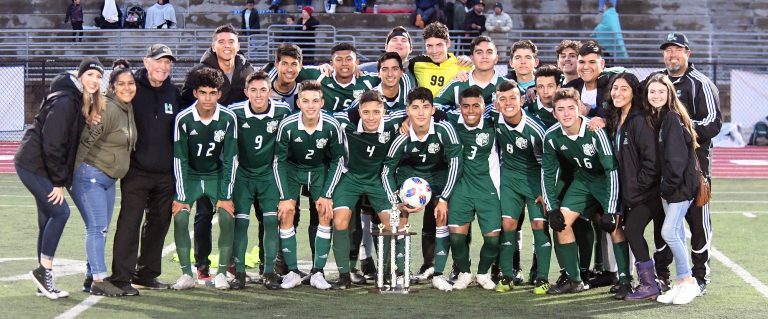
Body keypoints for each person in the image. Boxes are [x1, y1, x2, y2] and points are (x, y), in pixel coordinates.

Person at [15, 57, 103, 300]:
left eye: (98, 77)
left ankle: (41, 280)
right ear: (79, 75)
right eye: (90, 75)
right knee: (60, 212)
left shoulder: (75, 100)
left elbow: (66, 137)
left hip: (38, 163)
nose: (95, 81)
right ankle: (44, 272)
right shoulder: (66, 101)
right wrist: (58, 181)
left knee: (47, 218)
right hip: (34, 164)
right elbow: (53, 143)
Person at [648, 32, 722, 294]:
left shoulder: (700, 83)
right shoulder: (656, 81)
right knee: (664, 226)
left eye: (677, 50)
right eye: (667, 50)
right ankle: (663, 275)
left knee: (698, 223)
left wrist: (679, 129)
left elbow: (714, 124)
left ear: (687, 53)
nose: (672, 55)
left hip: (695, 168)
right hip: (662, 169)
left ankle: (700, 278)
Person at [181, 25, 254, 280]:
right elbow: (184, 106)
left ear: (238, 45)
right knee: (204, 211)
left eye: (231, 41)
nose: (226, 45)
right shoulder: (198, 72)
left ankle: (231, 261)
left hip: (236, 151)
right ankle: (202, 265)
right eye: (221, 41)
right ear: (213, 45)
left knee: (231, 208)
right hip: (205, 152)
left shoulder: (247, 70)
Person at [109, 44, 179, 293]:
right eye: (159, 61)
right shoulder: (132, 87)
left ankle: (146, 274)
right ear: (146, 62)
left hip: (165, 173)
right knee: (130, 223)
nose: (164, 67)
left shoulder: (173, 92)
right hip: (136, 171)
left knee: (159, 224)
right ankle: (120, 277)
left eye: (168, 63)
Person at [541, 88, 622, 295]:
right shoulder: (551, 137)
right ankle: (574, 280)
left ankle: (626, 279)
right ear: (554, 113)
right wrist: (552, 209)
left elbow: (611, 169)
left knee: (614, 227)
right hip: (583, 180)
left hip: (605, 181)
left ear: (580, 109)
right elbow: (547, 174)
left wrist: (611, 209)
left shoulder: (595, 131)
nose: (566, 113)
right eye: (561, 109)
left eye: (571, 108)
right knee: (561, 223)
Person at [324, 90, 406, 289]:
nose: (371, 117)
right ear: (359, 110)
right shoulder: (346, 122)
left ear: (383, 111)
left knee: (391, 222)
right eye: (366, 112)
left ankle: (388, 272)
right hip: (350, 177)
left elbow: (421, 111)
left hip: (378, 179)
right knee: (340, 220)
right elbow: (326, 114)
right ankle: (344, 275)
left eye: (376, 112)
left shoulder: (393, 121)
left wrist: (409, 121)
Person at [381, 87, 462, 286]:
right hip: (410, 174)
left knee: (442, 214)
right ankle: (400, 272)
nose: (420, 112)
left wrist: (443, 198)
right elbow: (387, 170)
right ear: (407, 110)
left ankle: (439, 274)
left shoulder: (444, 129)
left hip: (438, 174)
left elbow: (455, 163)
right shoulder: (402, 136)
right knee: (399, 215)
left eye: (425, 107)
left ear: (433, 110)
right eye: (415, 108)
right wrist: (395, 200)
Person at [70, 59, 137, 297]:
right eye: (122, 84)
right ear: (111, 86)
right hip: (90, 175)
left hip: (107, 180)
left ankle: (91, 276)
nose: (127, 87)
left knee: (100, 228)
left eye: (131, 83)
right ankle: (99, 279)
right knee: (97, 228)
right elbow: (84, 143)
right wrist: (72, 177)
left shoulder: (126, 108)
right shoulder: (107, 108)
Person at [604, 72, 671, 301]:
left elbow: (651, 162)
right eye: (615, 88)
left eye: (624, 88)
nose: (618, 93)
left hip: (648, 193)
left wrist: (637, 189)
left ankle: (651, 283)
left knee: (634, 230)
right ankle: (649, 283)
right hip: (632, 193)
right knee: (631, 231)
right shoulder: (617, 117)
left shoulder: (639, 119)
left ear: (634, 92)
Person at [170, 67, 238, 291]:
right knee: (180, 217)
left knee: (227, 216)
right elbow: (179, 158)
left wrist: (226, 195)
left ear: (219, 94)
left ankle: (221, 273)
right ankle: (187, 274)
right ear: (195, 94)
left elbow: (231, 159)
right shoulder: (183, 119)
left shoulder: (228, 118)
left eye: (212, 93)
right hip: (190, 175)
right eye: (203, 92)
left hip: (214, 175)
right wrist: (180, 195)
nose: (207, 98)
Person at [273, 80, 345, 289]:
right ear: (298, 102)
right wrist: (285, 197)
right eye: (306, 101)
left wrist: (327, 194)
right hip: (293, 170)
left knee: (325, 211)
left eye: (315, 101)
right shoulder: (287, 125)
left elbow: (338, 159)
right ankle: (293, 272)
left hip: (318, 170)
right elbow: (279, 160)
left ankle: (317, 272)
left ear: (322, 102)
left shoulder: (331, 126)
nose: (311, 105)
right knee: (286, 212)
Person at [229, 71, 292, 290]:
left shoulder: (283, 111)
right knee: (242, 222)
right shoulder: (234, 112)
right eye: (253, 90)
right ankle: (239, 273)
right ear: (246, 92)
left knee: (270, 222)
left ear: (270, 91)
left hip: (268, 175)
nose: (258, 95)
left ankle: (269, 272)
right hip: (243, 175)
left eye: (263, 90)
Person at [436, 87, 500, 291]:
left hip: (487, 186)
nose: (470, 110)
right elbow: (431, 108)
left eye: (476, 106)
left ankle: (482, 273)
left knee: (492, 239)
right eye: (465, 106)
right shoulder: (451, 123)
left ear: (483, 107)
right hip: (460, 186)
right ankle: (464, 272)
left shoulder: (493, 124)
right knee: (456, 237)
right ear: (459, 108)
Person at [490, 80, 551, 294]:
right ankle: (507, 276)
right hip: (510, 181)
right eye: (502, 99)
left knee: (538, 226)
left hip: (536, 182)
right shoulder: (495, 120)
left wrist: (545, 192)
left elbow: (548, 164)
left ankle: (542, 277)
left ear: (522, 100)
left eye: (513, 98)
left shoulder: (536, 129)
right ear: (496, 103)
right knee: (508, 225)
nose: (508, 103)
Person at [646, 74, 702, 305]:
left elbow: (677, 160)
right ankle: (681, 282)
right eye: (652, 92)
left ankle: (688, 281)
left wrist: (666, 187)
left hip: (679, 187)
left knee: (668, 232)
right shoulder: (664, 117)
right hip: (673, 186)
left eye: (661, 91)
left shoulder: (671, 117)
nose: (656, 96)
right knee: (676, 232)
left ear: (669, 94)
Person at [298, 43, 380, 112]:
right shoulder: (321, 76)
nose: (344, 63)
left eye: (349, 59)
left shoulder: (369, 80)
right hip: (327, 128)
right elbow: (291, 69)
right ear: (331, 63)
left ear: (357, 63)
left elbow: (390, 77)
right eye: (339, 59)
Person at [434, 36, 504, 112]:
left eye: (489, 52)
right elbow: (435, 105)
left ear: (496, 58)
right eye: (479, 52)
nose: (484, 56)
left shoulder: (506, 84)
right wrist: (457, 113)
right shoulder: (458, 83)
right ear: (472, 58)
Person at [562, 40, 625, 119]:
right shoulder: (570, 88)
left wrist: (589, 111)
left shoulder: (613, 86)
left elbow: (619, 114)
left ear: (602, 64)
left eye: (592, 62)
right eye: (582, 62)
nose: (586, 67)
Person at [409, 22, 473, 97]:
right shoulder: (417, 63)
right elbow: (398, 65)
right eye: (429, 46)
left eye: (439, 45)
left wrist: (472, 62)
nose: (434, 51)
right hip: (425, 107)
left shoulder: (463, 65)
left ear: (448, 43)